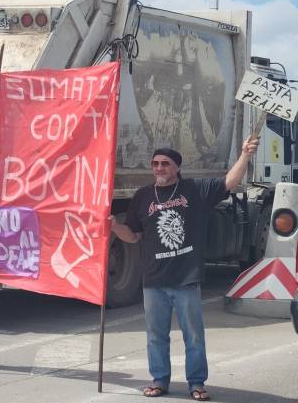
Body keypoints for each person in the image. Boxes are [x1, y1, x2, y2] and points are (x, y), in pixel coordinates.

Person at [111, 137, 259, 401]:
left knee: (193, 335)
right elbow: (133, 236)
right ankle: (159, 380)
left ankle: (197, 383)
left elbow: (229, 183)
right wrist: (112, 226)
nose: (159, 168)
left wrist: (245, 155)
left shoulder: (194, 190)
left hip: (186, 279)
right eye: (155, 164)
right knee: (156, 336)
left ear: (176, 167)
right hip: (153, 280)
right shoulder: (143, 196)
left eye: (165, 164)